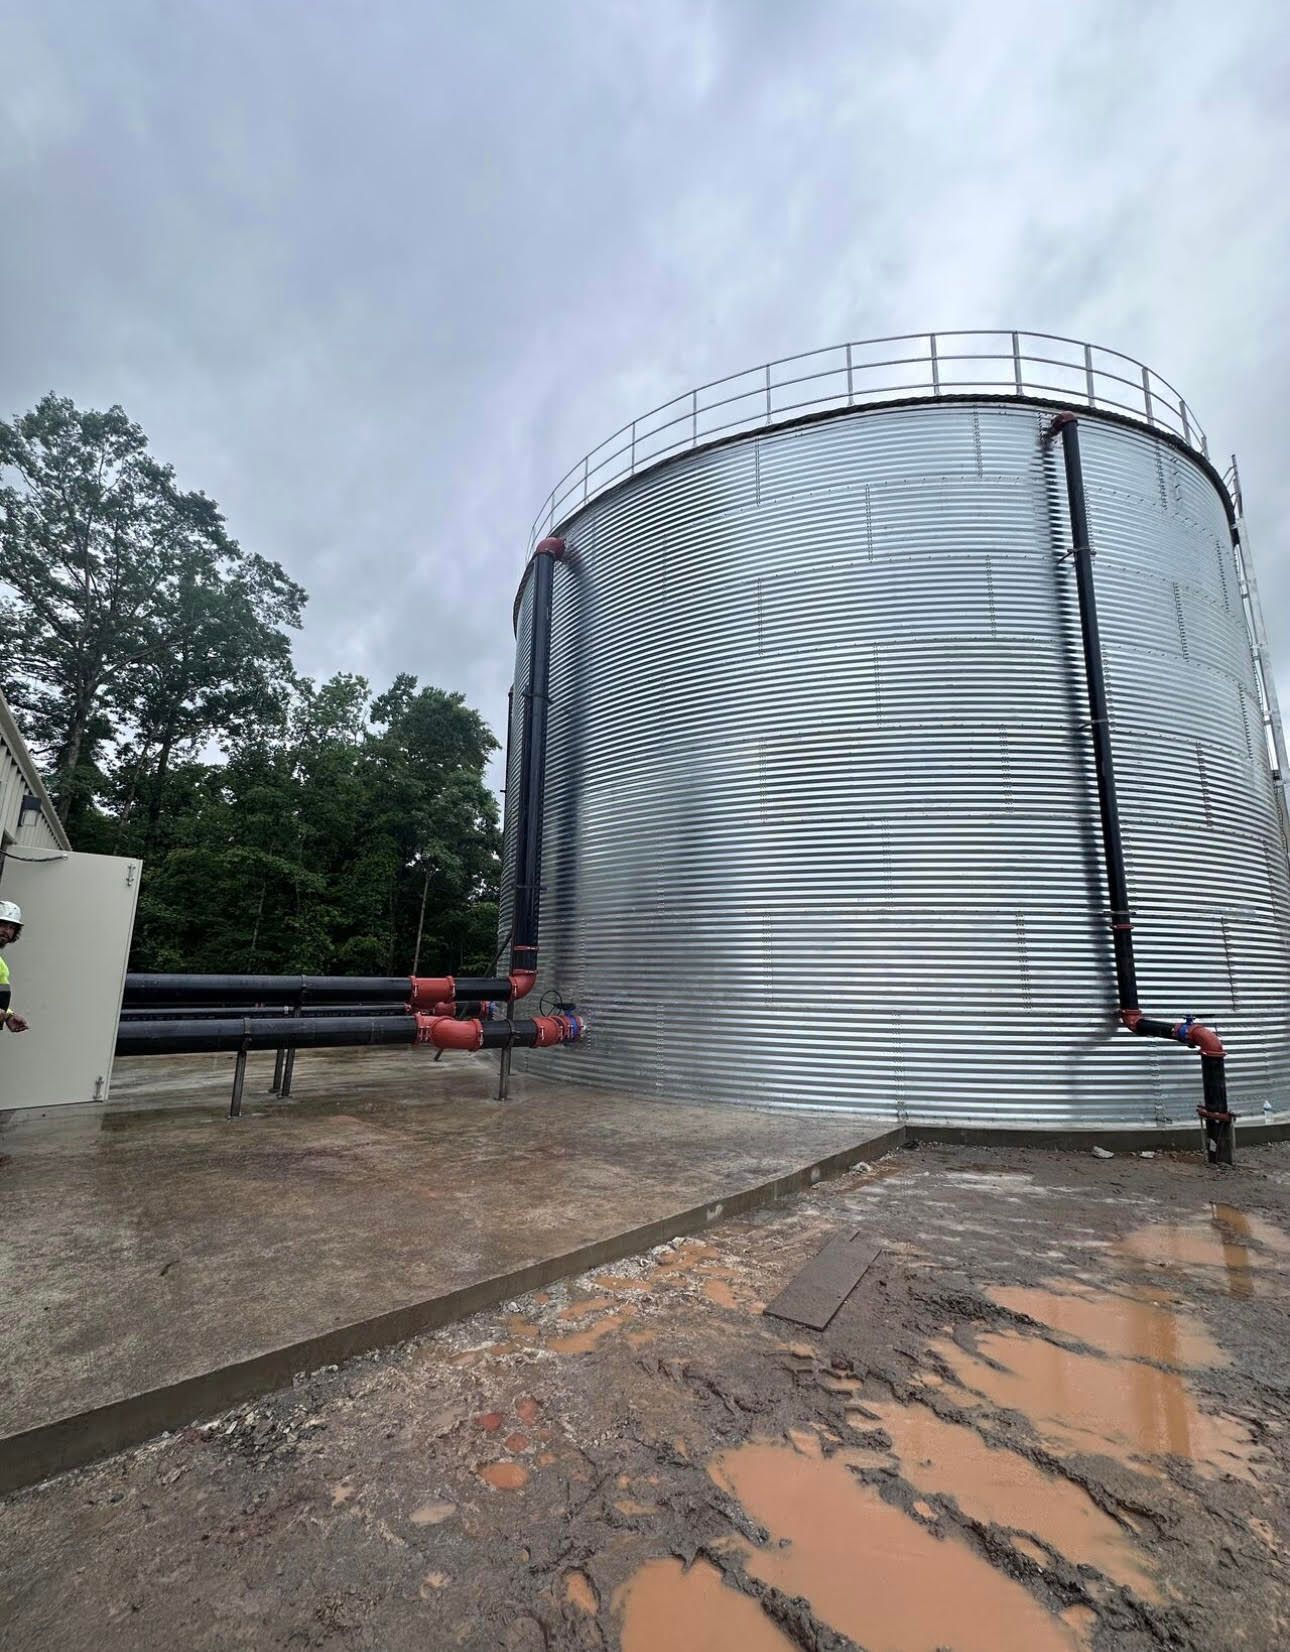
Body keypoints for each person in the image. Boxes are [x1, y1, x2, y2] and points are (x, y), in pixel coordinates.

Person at [0, 899, 29, 1033]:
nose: (6, 931)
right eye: (2, 925)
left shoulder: (1, 964)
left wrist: (8, 1015)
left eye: (11, 927)